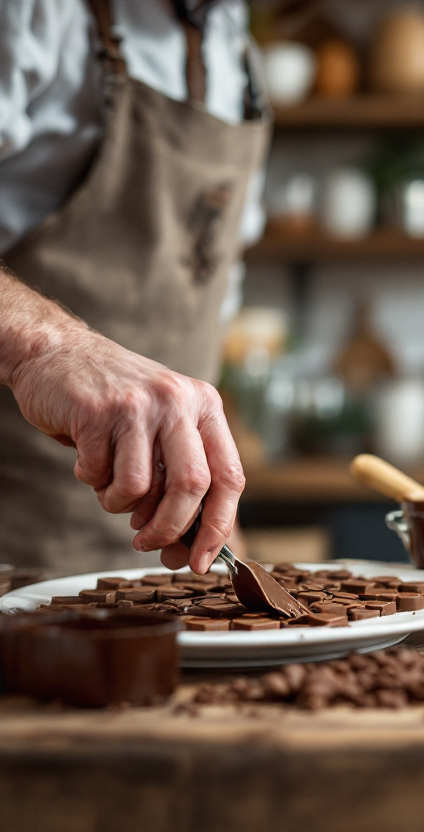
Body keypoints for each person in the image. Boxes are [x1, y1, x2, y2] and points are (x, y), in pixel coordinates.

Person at [0, 0, 267, 575]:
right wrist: (47, 348)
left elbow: (204, 295)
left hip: (167, 561)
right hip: (16, 542)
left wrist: (219, 519)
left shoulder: (235, 44)